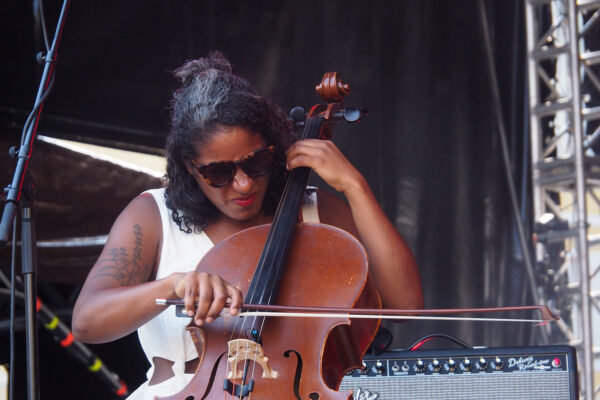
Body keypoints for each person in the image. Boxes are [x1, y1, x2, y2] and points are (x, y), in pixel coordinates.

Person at [72, 51, 423, 399]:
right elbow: (87, 322)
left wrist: (354, 186)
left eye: (256, 163)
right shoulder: (153, 215)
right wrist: (175, 286)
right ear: (190, 166)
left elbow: (405, 307)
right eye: (219, 172)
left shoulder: (317, 213)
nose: (243, 184)